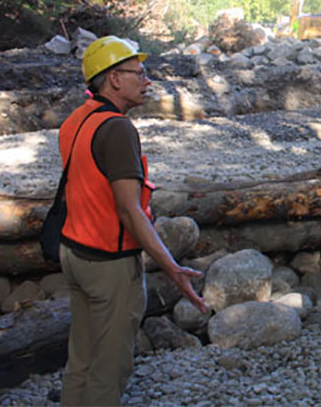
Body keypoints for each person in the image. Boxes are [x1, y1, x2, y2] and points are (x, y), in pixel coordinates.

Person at [58, 36, 209, 406]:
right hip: (108, 264)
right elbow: (129, 210)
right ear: (113, 79)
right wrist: (171, 268)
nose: (147, 81)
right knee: (109, 371)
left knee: (81, 360)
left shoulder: (76, 120)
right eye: (139, 73)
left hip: (74, 254)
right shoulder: (118, 129)